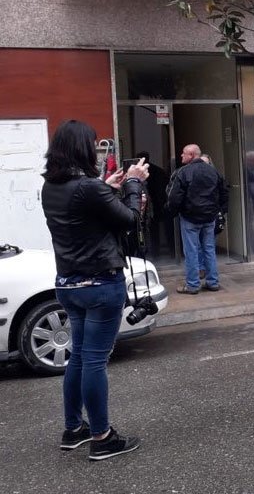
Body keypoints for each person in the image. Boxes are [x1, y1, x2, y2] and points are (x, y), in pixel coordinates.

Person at [42, 120, 148, 461]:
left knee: (79, 356)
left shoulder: (51, 186)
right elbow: (129, 219)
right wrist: (133, 183)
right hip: (100, 284)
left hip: (68, 284)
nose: (96, 150)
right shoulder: (88, 187)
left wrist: (106, 186)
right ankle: (102, 437)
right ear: (81, 149)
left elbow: (85, 210)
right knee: (94, 360)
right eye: (92, 144)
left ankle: (74, 429)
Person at [166, 143, 229, 294]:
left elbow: (174, 197)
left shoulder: (183, 172)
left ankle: (193, 285)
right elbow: (223, 193)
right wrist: (218, 210)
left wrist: (171, 212)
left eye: (184, 153)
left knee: (191, 251)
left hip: (190, 218)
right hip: (209, 218)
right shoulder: (213, 171)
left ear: (192, 155)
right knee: (209, 250)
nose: (181, 155)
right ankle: (213, 282)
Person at [134, 151, 169, 259]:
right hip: (156, 203)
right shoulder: (158, 171)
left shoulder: (136, 172)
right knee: (155, 229)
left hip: (144, 204)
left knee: (142, 229)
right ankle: (156, 253)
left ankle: (144, 253)